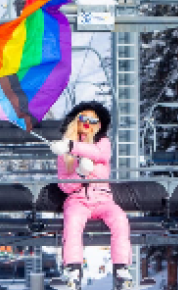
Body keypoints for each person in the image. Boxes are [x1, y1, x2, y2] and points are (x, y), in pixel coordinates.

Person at [50, 101, 132, 290]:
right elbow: (64, 185)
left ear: (100, 124)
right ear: (76, 122)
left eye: (93, 120)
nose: (88, 123)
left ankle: (121, 269)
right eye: (83, 118)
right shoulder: (65, 154)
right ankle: (73, 270)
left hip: (103, 198)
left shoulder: (102, 143)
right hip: (78, 200)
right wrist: (79, 174)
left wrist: (71, 146)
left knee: (120, 219)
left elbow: (99, 154)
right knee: (72, 223)